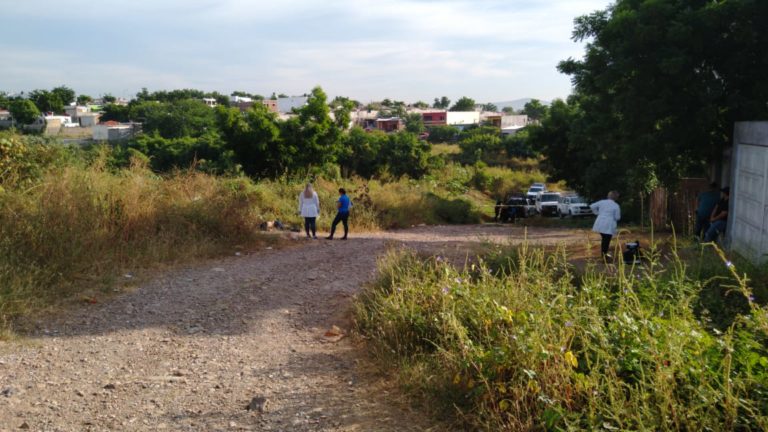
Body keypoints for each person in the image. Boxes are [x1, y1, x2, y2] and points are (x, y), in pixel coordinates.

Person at [590, 191, 621, 258]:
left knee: (604, 239)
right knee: (606, 240)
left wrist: (597, 213)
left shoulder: (602, 202)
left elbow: (592, 206)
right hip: (609, 224)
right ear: (616, 198)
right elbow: (617, 217)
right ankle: (604, 255)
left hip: (600, 222)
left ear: (608, 196)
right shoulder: (616, 205)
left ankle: (604, 254)